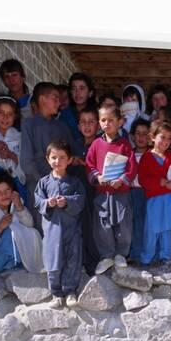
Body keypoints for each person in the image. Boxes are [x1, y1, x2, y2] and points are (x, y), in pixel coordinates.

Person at [85, 106, 137, 274]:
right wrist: (98, 177)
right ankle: (106, 255)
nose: (107, 124)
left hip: (120, 192)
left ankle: (121, 254)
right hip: (102, 193)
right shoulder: (96, 144)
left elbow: (132, 167)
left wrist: (121, 180)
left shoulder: (125, 145)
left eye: (111, 120)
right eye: (103, 120)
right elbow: (89, 165)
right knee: (102, 224)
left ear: (119, 122)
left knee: (124, 224)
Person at [34, 141, 86, 308]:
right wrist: (48, 203)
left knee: (72, 259)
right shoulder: (43, 183)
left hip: (72, 230)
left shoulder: (75, 182)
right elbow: (37, 201)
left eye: (62, 157)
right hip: (52, 231)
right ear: (48, 160)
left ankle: (70, 291)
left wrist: (67, 201)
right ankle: (56, 293)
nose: (58, 161)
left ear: (70, 160)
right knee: (53, 260)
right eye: (54, 157)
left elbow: (80, 200)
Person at [20, 82, 75, 231]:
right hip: (38, 186)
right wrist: (44, 182)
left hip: (62, 186)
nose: (59, 102)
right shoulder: (28, 124)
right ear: (43, 99)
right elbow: (26, 160)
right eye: (55, 98)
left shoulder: (62, 127)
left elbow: (72, 155)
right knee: (42, 228)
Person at [0, 171, 43, 274]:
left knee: (33, 232)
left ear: (13, 191)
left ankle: (20, 264)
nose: (4, 195)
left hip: (16, 258)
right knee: (10, 231)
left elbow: (30, 226)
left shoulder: (17, 207)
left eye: (7, 190)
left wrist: (19, 206)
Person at [138, 120, 171, 266]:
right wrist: (160, 182)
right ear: (152, 137)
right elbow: (143, 179)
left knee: (167, 229)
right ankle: (147, 258)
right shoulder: (146, 157)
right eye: (162, 137)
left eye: (169, 138)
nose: (166, 141)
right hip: (154, 199)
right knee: (151, 229)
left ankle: (166, 257)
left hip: (169, 199)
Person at [76, 107, 101, 275]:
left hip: (97, 193)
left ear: (98, 126)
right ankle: (82, 261)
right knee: (81, 227)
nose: (87, 126)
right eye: (83, 122)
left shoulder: (101, 144)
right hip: (78, 194)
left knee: (95, 228)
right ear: (78, 126)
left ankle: (96, 262)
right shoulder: (73, 146)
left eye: (91, 122)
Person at [129, 118, 151, 263]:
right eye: (138, 134)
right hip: (132, 192)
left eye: (145, 134)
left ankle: (148, 255)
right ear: (132, 136)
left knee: (148, 223)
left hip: (150, 193)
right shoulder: (128, 154)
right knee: (135, 223)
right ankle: (135, 254)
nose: (141, 137)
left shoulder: (153, 155)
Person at [59, 72, 97, 142]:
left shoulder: (98, 114)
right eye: (74, 89)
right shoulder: (64, 115)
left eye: (81, 88)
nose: (77, 93)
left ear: (90, 93)